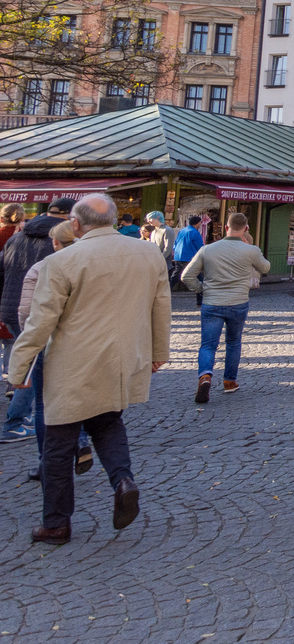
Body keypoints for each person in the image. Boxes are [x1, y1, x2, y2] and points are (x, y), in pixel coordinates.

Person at [6, 194, 170, 545]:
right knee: (108, 422)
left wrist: (18, 369)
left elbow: (39, 324)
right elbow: (161, 306)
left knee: (58, 444)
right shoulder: (148, 253)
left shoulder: (63, 260)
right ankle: (123, 480)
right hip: (123, 358)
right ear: (111, 219)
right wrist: (158, 352)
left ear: (76, 225)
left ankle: (56, 523)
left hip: (73, 364)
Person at [1, 197, 74, 442]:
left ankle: (24, 416)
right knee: (36, 365)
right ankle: (15, 421)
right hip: (37, 310)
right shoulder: (60, 241)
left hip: (10, 306)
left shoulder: (16, 237)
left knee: (28, 360)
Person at [180, 213, 271, 404]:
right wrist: (251, 250)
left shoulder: (208, 249)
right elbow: (266, 268)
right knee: (233, 342)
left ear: (226, 227)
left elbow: (186, 276)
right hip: (238, 302)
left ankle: (205, 376)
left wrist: (202, 289)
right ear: (246, 229)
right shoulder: (251, 250)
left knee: (208, 344)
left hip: (212, 303)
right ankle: (229, 381)